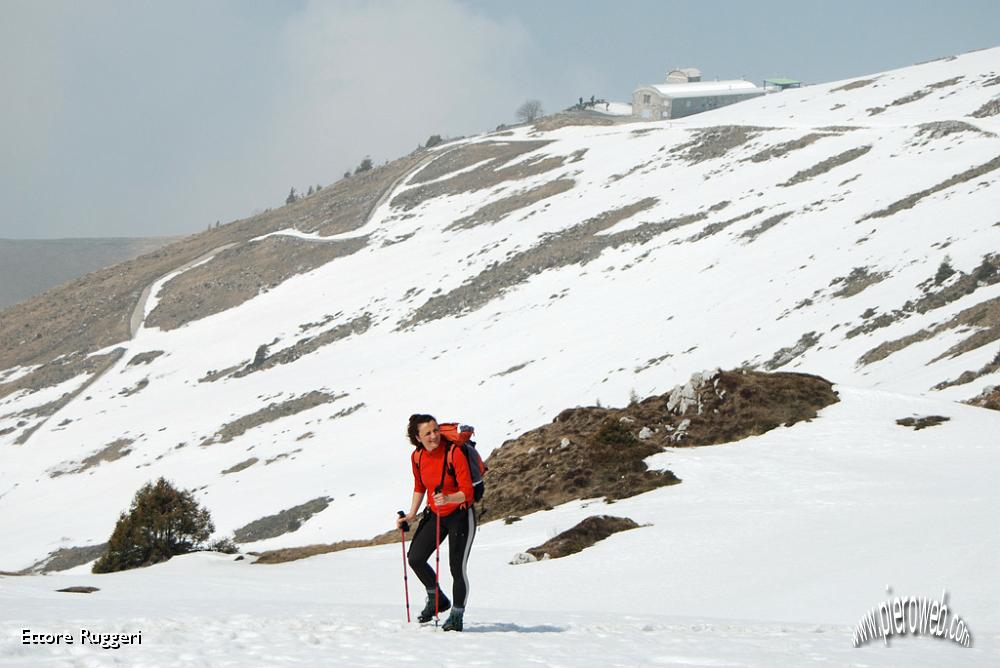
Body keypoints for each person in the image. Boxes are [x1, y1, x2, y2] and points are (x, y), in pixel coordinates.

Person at [396, 414, 477, 632]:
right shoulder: (417, 457)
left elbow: (468, 492)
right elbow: (420, 485)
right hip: (436, 514)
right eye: (428, 433)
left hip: (461, 514)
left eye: (435, 430)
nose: (434, 436)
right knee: (416, 558)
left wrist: (450, 498)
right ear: (417, 437)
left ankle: (457, 615)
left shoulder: (454, 453)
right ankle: (437, 598)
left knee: (456, 568)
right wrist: (411, 515)